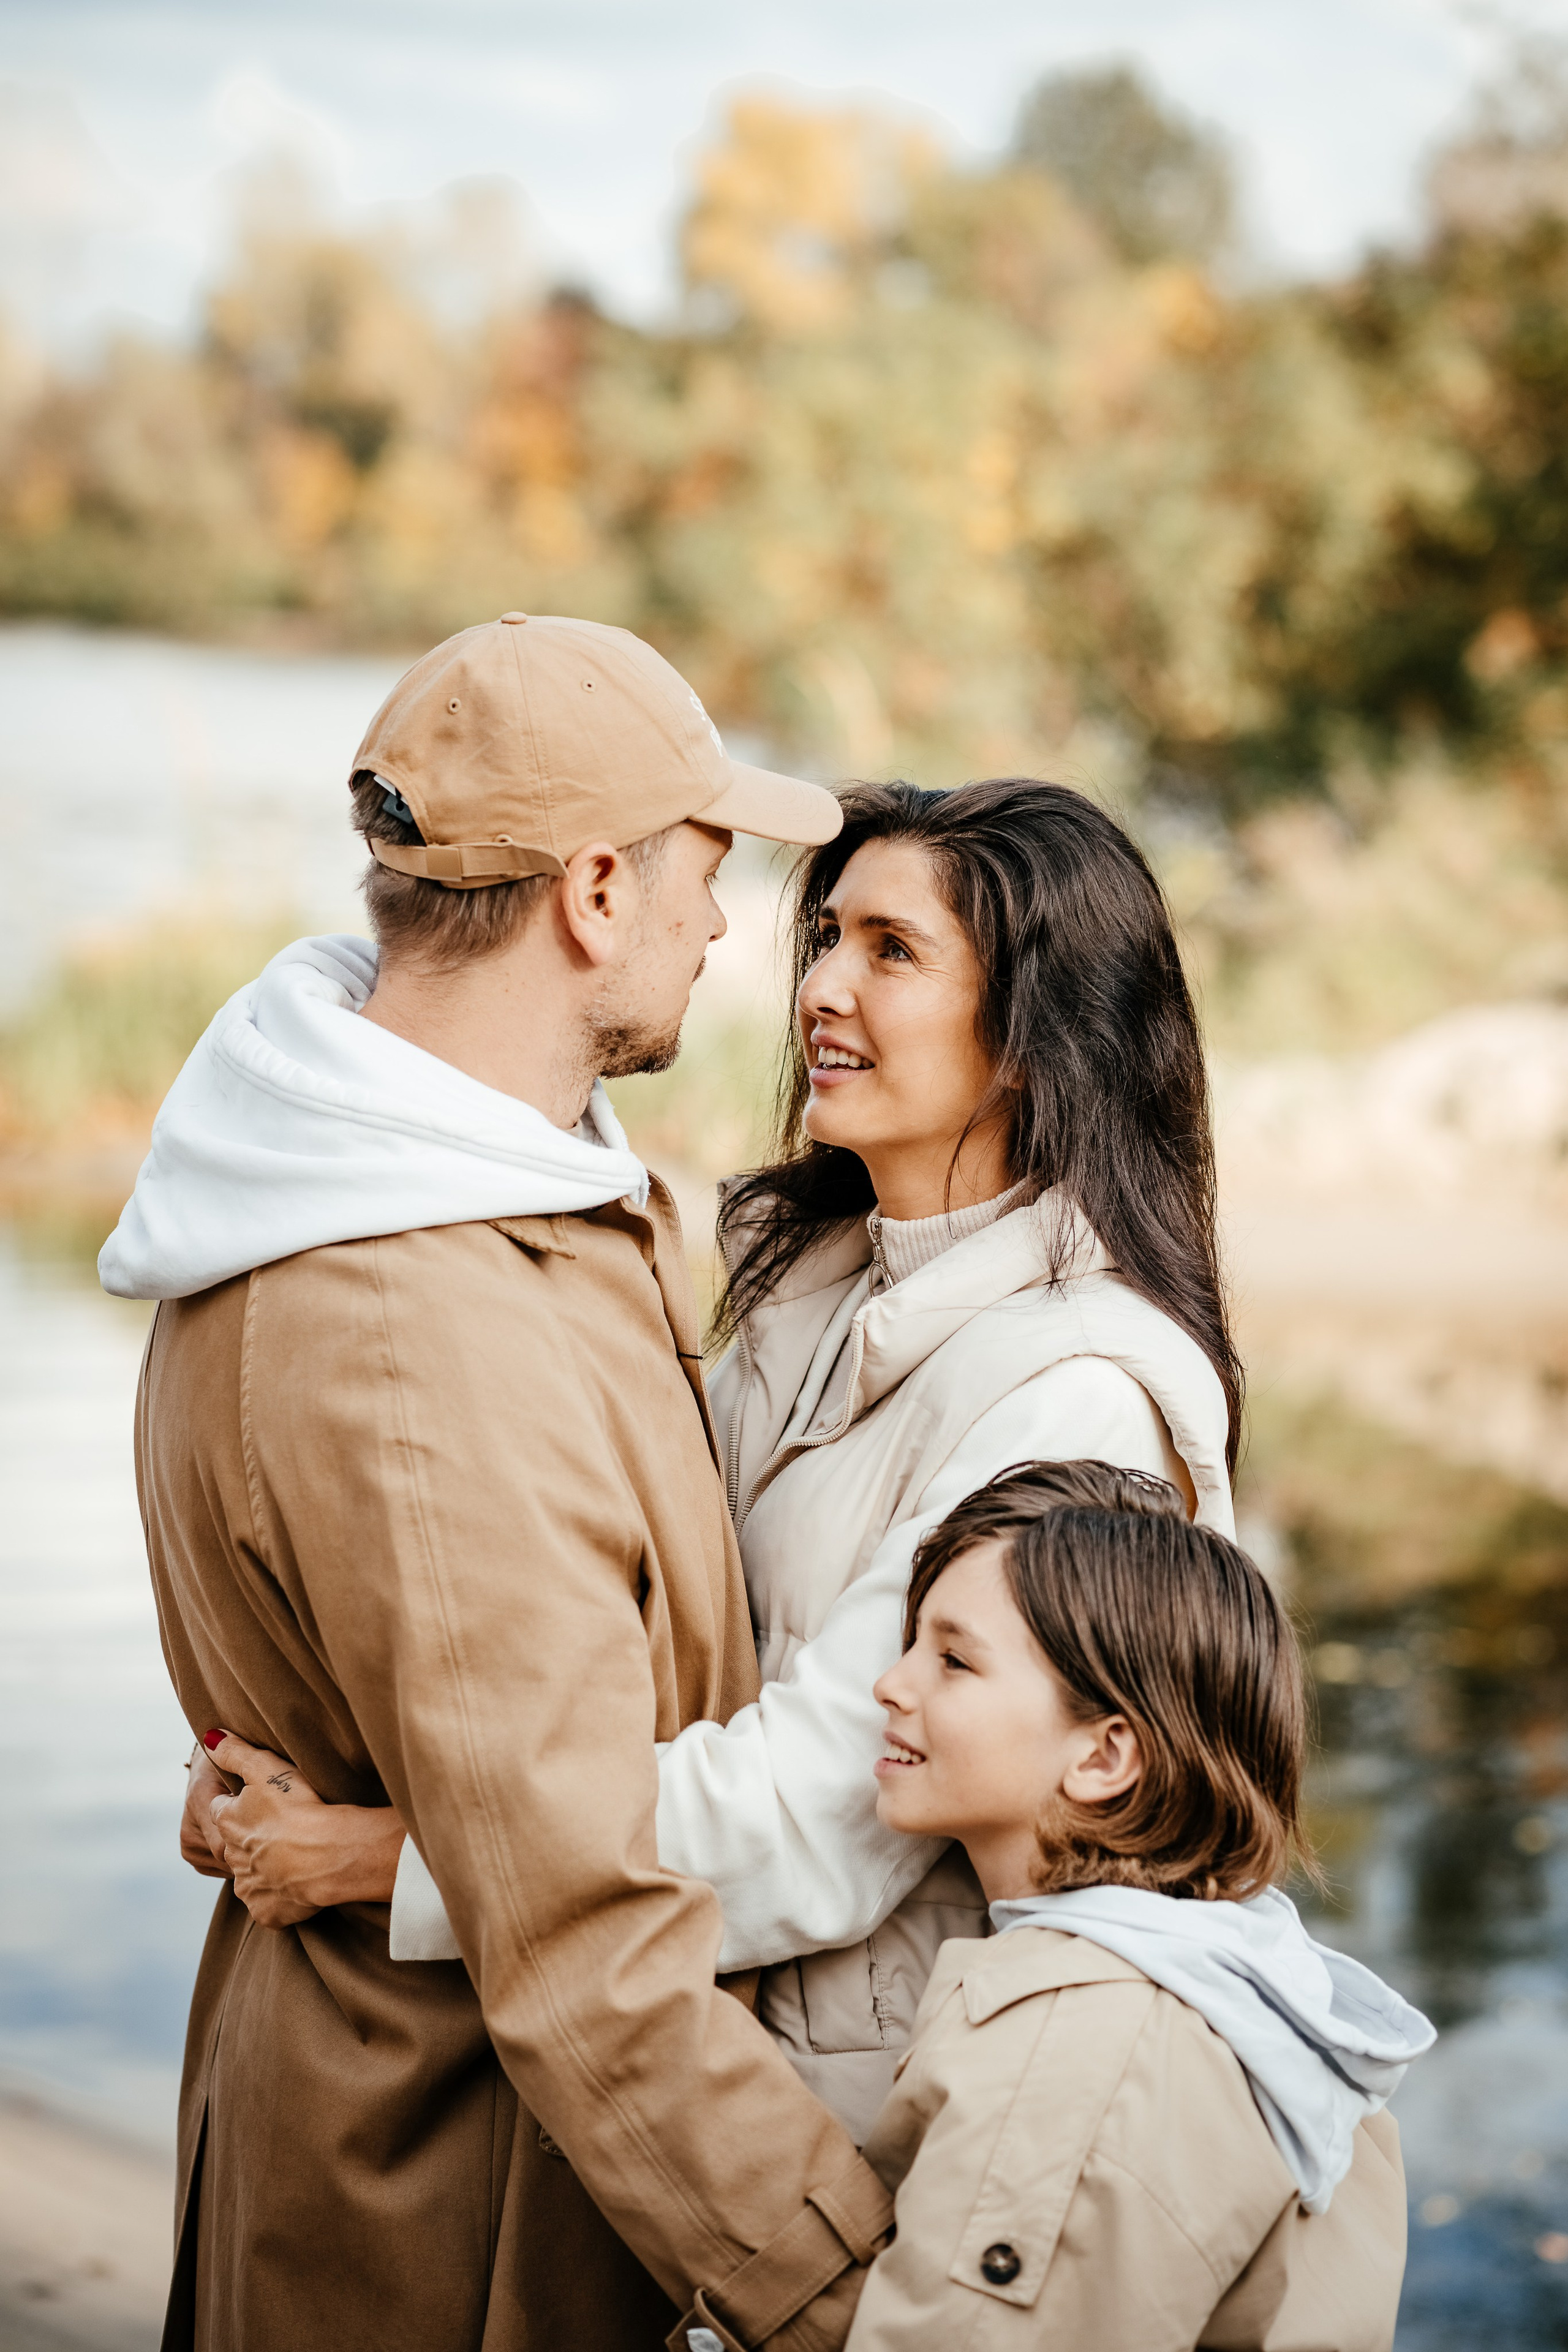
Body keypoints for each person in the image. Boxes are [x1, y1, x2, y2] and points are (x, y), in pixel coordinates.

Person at [189, 776, 1245, 2144]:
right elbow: (624, 1626)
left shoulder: (1076, 1393)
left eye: (893, 952)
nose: (821, 989)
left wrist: (389, 1857)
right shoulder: (810, 1295)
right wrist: (300, 1770)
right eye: (829, 936)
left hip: (881, 2110)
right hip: (702, 2036)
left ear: (1036, 1043)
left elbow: (822, 1808)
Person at [104, 613, 900, 2352]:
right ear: (597, 892)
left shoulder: (363, 1171)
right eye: (707, 875)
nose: (722, 929)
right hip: (447, 2213)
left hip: (384, 2131)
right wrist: (860, 2299)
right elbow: (580, 1935)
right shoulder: (415, 1324)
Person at [846, 1457, 1433, 2351]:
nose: (891, 1684)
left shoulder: (1074, 2054)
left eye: (954, 1660)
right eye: (914, 1644)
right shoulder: (1227, 1979)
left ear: (1102, 1757)